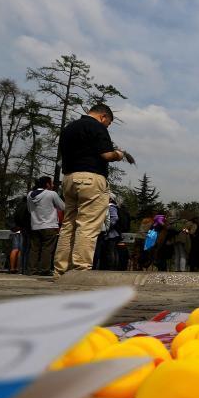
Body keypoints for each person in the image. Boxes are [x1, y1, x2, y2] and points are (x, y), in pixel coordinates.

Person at [54, 103, 132, 275]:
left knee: (68, 225)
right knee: (87, 226)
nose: (107, 126)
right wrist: (118, 154)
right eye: (108, 123)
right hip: (90, 178)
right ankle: (80, 270)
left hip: (68, 178)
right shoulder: (96, 126)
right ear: (103, 116)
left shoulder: (69, 128)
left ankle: (60, 271)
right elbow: (106, 155)